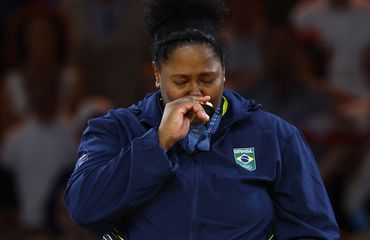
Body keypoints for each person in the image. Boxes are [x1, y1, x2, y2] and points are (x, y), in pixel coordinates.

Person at [64, 0, 340, 239]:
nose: (195, 91)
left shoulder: (275, 136)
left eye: (207, 78)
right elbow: (84, 208)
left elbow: (314, 231)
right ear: (157, 75)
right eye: (180, 81)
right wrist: (157, 143)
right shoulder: (115, 130)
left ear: (223, 71)